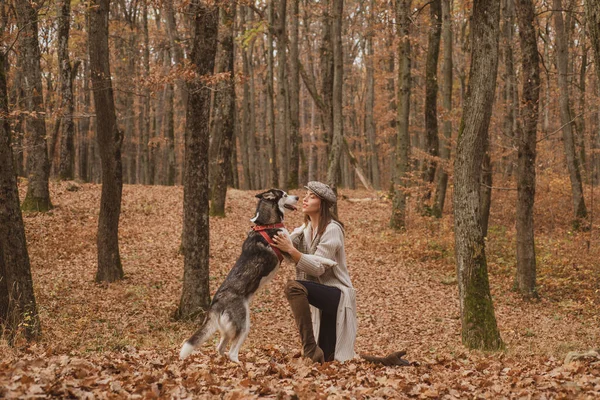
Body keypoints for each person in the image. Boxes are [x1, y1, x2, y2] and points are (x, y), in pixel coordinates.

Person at [272, 181, 410, 366]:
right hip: (322, 297)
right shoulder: (304, 230)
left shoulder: (332, 229)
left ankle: (310, 349)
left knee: (293, 287)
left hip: (336, 295)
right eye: (306, 195)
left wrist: (292, 250)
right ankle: (385, 361)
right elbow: (285, 246)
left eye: (312, 197)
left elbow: (318, 267)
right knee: (330, 359)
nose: (305, 199)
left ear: (323, 204)